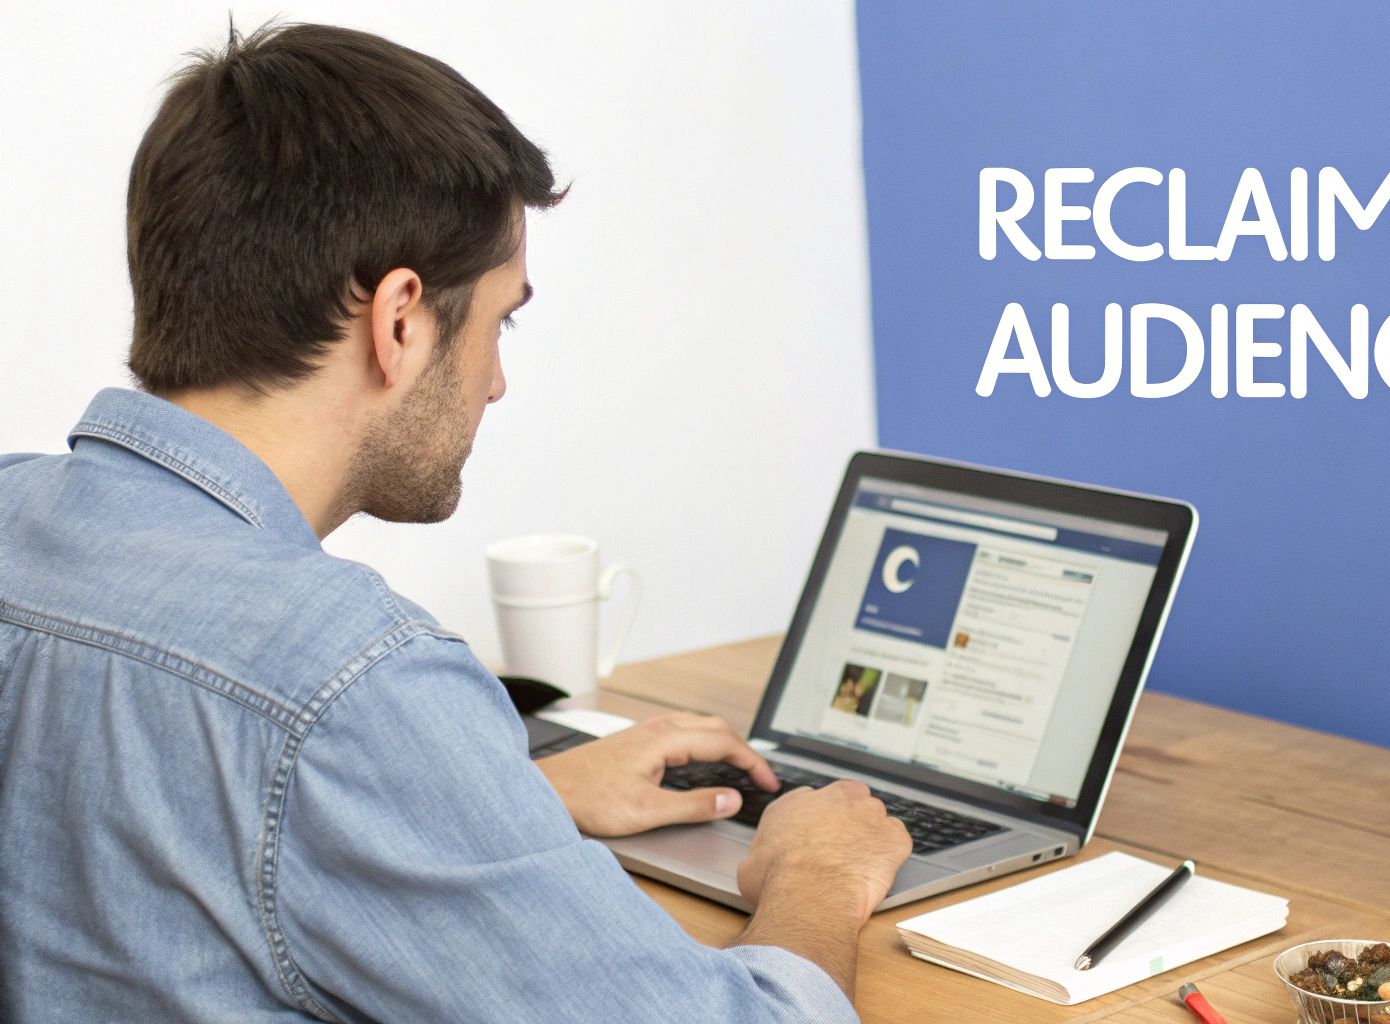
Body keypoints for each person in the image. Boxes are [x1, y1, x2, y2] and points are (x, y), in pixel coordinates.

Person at [0, 19, 909, 1023]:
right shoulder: (349, 679)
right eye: (499, 318)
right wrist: (819, 874)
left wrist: (501, 803)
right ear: (399, 319)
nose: (497, 381)